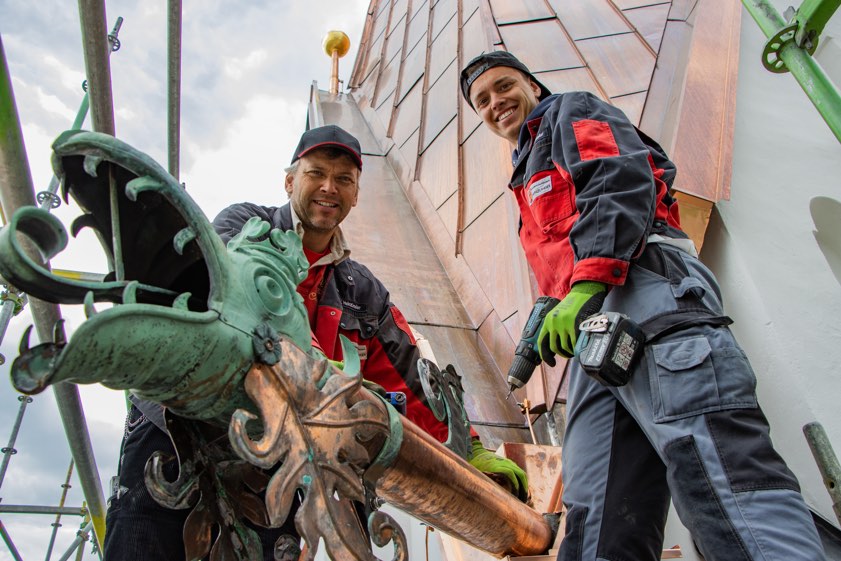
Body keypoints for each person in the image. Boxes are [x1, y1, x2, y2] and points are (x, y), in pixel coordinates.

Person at [460, 51, 826, 561]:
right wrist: (558, 302)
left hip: (646, 290)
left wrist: (584, 286)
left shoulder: (569, 111)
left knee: (715, 466)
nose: (495, 102)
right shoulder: (524, 176)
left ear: (533, 86)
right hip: (596, 335)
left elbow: (618, 177)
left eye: (504, 86)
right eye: (482, 100)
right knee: (598, 509)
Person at [104, 125, 527, 561]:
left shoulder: (362, 291)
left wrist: (469, 450)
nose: (329, 187)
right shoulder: (245, 226)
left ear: (356, 194)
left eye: (344, 179)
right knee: (143, 546)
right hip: (177, 430)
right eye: (316, 174)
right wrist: (325, 370)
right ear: (290, 181)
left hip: (271, 461)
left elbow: (409, 375)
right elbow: (241, 303)